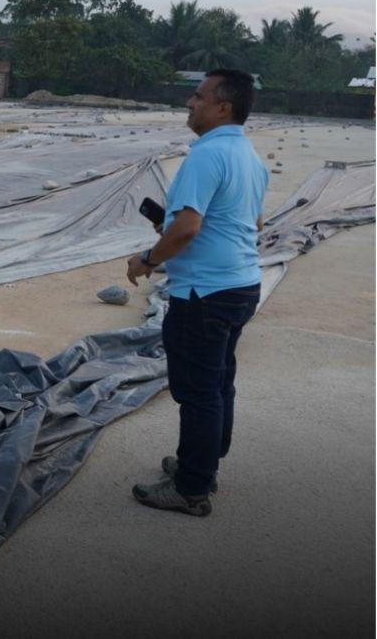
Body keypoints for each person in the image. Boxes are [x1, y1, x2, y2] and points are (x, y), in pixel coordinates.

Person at [125, 69, 267, 516]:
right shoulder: (250, 157)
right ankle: (202, 466)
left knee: (199, 391)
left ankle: (191, 488)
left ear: (223, 107)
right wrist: (168, 226)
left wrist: (148, 258)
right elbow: (251, 222)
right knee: (219, 383)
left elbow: (187, 227)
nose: (190, 103)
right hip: (241, 285)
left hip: (203, 293)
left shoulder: (205, 156)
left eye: (199, 96)